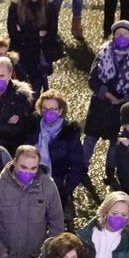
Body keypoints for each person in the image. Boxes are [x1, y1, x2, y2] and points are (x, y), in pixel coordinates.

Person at [82, 21, 129, 184]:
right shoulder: (103, 53)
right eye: (118, 34)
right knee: (90, 138)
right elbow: (92, 80)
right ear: (113, 35)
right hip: (100, 104)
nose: (121, 37)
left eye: (125, 34)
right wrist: (107, 94)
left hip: (121, 107)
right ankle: (82, 168)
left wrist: (126, 98)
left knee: (115, 140)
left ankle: (110, 170)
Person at [30, 90, 86, 225]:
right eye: (45, 109)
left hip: (57, 185)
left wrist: (65, 187)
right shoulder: (32, 127)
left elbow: (79, 165)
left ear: (61, 111)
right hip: (31, 181)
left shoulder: (70, 134)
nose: (49, 112)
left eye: (53, 109)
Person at [6, 0, 62, 92]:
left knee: (36, 90)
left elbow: (51, 34)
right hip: (20, 55)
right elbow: (13, 34)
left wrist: (24, 33)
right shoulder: (16, 5)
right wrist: (38, 35)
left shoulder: (49, 6)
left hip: (39, 56)